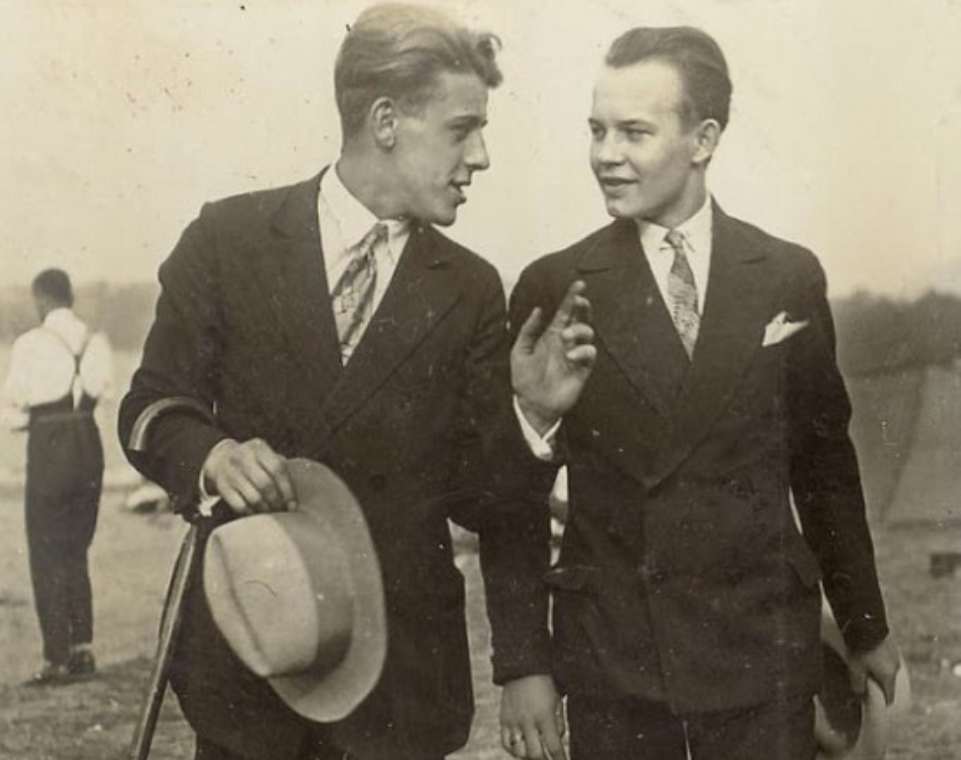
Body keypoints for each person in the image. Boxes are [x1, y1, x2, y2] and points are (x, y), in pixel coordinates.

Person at [118, 5, 589, 760]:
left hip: (399, 691)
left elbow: (487, 501)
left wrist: (530, 417)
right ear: (385, 120)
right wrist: (211, 455)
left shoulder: (469, 290)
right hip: (252, 665)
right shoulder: (228, 240)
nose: (481, 156)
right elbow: (151, 407)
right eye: (462, 129)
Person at [496, 26, 901, 760]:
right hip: (616, 662)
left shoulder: (785, 275)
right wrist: (524, 664)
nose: (605, 154)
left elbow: (823, 468)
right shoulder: (556, 285)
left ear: (703, 139)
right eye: (596, 130)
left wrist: (864, 624)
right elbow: (513, 502)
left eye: (633, 132)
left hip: (763, 653)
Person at [1, 268, 112, 685]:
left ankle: (56, 658)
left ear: (42, 299)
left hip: (50, 445)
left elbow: (13, 409)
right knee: (76, 547)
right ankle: (83, 648)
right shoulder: (95, 341)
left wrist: (29, 422)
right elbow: (104, 393)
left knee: (46, 551)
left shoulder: (31, 343)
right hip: (89, 443)